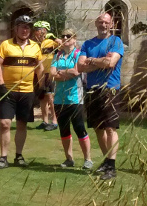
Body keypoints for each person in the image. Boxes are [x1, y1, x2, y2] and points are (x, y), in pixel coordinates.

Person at [77, 12, 125, 181]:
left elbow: (111, 63)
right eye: (100, 22)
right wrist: (100, 61)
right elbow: (80, 67)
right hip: (92, 89)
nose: (103, 25)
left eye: (106, 22)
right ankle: (106, 160)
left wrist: (91, 61)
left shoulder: (116, 42)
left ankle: (111, 165)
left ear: (111, 24)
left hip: (109, 89)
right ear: (96, 24)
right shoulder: (88, 43)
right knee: (98, 127)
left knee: (110, 127)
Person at [0, 15, 42, 169]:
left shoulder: (35, 47)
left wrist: (41, 87)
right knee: (5, 123)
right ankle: (3, 157)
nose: (25, 30)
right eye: (22, 27)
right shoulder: (6, 45)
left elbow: (39, 67)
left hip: (27, 91)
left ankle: (19, 155)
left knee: (22, 124)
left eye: (27, 27)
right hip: (8, 90)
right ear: (16, 28)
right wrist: (1, 84)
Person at [50, 28, 92, 169]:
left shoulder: (79, 54)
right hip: (59, 99)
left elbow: (76, 71)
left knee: (79, 128)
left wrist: (61, 72)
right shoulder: (58, 55)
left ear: (74, 39)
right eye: (63, 36)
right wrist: (65, 74)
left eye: (68, 36)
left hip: (75, 98)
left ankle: (88, 159)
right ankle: (69, 159)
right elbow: (52, 74)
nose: (65, 38)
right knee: (64, 130)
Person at [32, 20, 59, 131]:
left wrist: (54, 38)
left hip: (49, 73)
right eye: (35, 30)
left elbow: (64, 45)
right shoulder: (35, 43)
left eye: (37, 30)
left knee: (50, 98)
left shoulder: (50, 41)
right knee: (42, 98)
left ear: (44, 30)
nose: (35, 32)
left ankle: (54, 121)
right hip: (39, 74)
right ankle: (45, 121)